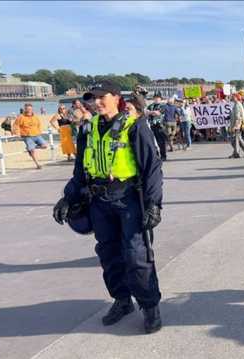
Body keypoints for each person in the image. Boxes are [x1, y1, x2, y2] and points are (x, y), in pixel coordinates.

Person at [52, 81, 163, 334]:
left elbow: (152, 168)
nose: (97, 102)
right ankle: (122, 301)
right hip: (99, 202)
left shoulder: (134, 125)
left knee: (136, 255)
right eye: (94, 98)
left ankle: (149, 306)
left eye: (103, 97)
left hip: (128, 199)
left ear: (116, 98)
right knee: (109, 254)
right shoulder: (87, 129)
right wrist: (68, 198)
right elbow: (80, 169)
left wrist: (154, 204)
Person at [12, 103, 48, 169]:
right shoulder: (21, 117)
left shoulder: (35, 116)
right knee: (32, 151)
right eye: (27, 109)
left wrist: (39, 131)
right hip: (27, 136)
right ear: (25, 109)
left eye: (30, 109)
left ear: (32, 109)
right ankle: (38, 164)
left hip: (37, 135)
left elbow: (39, 124)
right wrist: (17, 133)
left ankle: (30, 148)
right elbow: (15, 125)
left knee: (45, 146)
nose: (29, 110)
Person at [228, 93, 244, 158]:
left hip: (237, 125)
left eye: (233, 96)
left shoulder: (237, 105)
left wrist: (235, 126)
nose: (231, 97)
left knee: (234, 140)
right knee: (238, 139)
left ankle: (237, 153)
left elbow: (238, 117)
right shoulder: (237, 104)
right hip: (238, 125)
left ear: (236, 97)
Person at [147, 94, 167, 161]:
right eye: (155, 98)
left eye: (158, 98)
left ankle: (163, 156)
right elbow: (146, 113)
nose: (156, 99)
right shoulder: (150, 106)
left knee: (161, 142)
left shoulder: (163, 106)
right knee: (153, 142)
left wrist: (151, 112)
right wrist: (152, 112)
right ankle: (156, 156)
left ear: (161, 99)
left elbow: (158, 113)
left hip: (160, 126)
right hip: (152, 125)